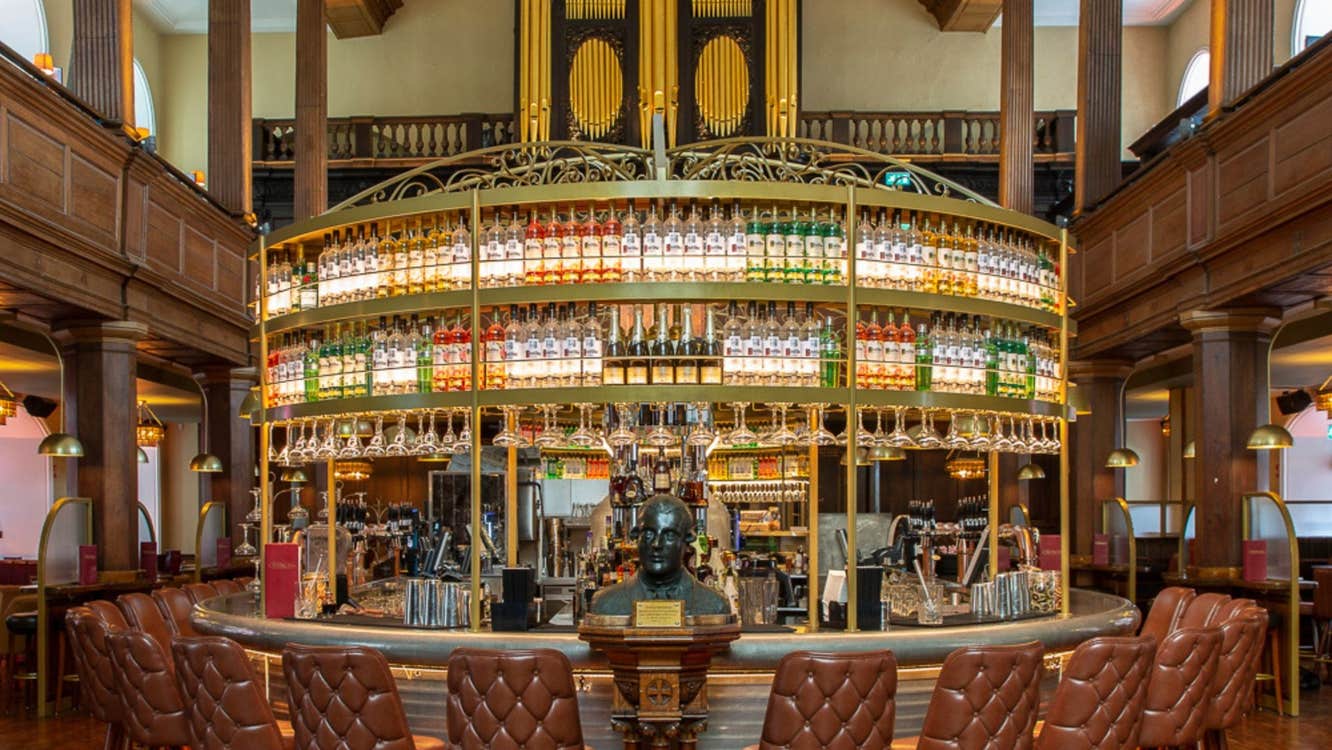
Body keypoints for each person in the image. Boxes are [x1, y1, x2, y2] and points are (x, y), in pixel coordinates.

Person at [589, 494, 730, 616]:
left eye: (669, 535)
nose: (657, 544)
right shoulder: (605, 603)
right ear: (636, 536)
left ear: (687, 541)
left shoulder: (715, 605)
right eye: (649, 533)